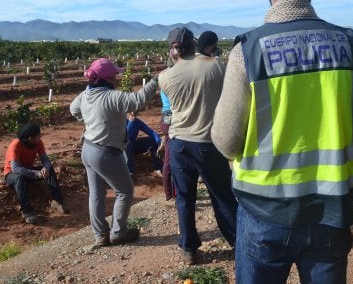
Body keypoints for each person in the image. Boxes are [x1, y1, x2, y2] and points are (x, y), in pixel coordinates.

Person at [211, 0, 353, 284]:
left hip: (264, 213)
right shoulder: (350, 45)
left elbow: (227, 141)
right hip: (332, 211)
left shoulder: (248, 51)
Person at [158, 27, 238, 265]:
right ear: (194, 44)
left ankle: (189, 248)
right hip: (206, 144)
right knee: (221, 195)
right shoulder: (214, 65)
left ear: (173, 48)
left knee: (185, 198)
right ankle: (238, 242)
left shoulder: (165, 77)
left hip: (179, 144)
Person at [70, 58, 158, 247]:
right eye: (115, 75)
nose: (117, 78)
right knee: (125, 191)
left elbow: (73, 110)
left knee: (96, 194)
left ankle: (101, 235)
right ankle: (119, 232)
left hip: (88, 149)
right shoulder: (112, 97)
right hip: (105, 152)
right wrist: (155, 81)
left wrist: (89, 121)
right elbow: (138, 100)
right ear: (108, 78)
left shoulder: (85, 94)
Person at [4, 123, 68, 224]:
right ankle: (27, 212)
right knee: (19, 178)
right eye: (38, 136)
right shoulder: (15, 145)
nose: (40, 137)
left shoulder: (38, 143)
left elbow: (45, 159)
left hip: (27, 171)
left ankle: (58, 201)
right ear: (30, 138)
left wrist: (45, 168)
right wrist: (36, 174)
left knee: (50, 170)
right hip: (11, 174)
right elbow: (16, 168)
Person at [125, 111, 163, 175]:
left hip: (134, 145)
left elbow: (151, 132)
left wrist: (159, 141)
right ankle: (129, 172)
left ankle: (159, 167)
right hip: (122, 148)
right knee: (129, 144)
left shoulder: (137, 122)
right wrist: (131, 122)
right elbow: (126, 137)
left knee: (153, 141)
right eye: (130, 111)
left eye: (134, 111)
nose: (132, 113)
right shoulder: (121, 122)